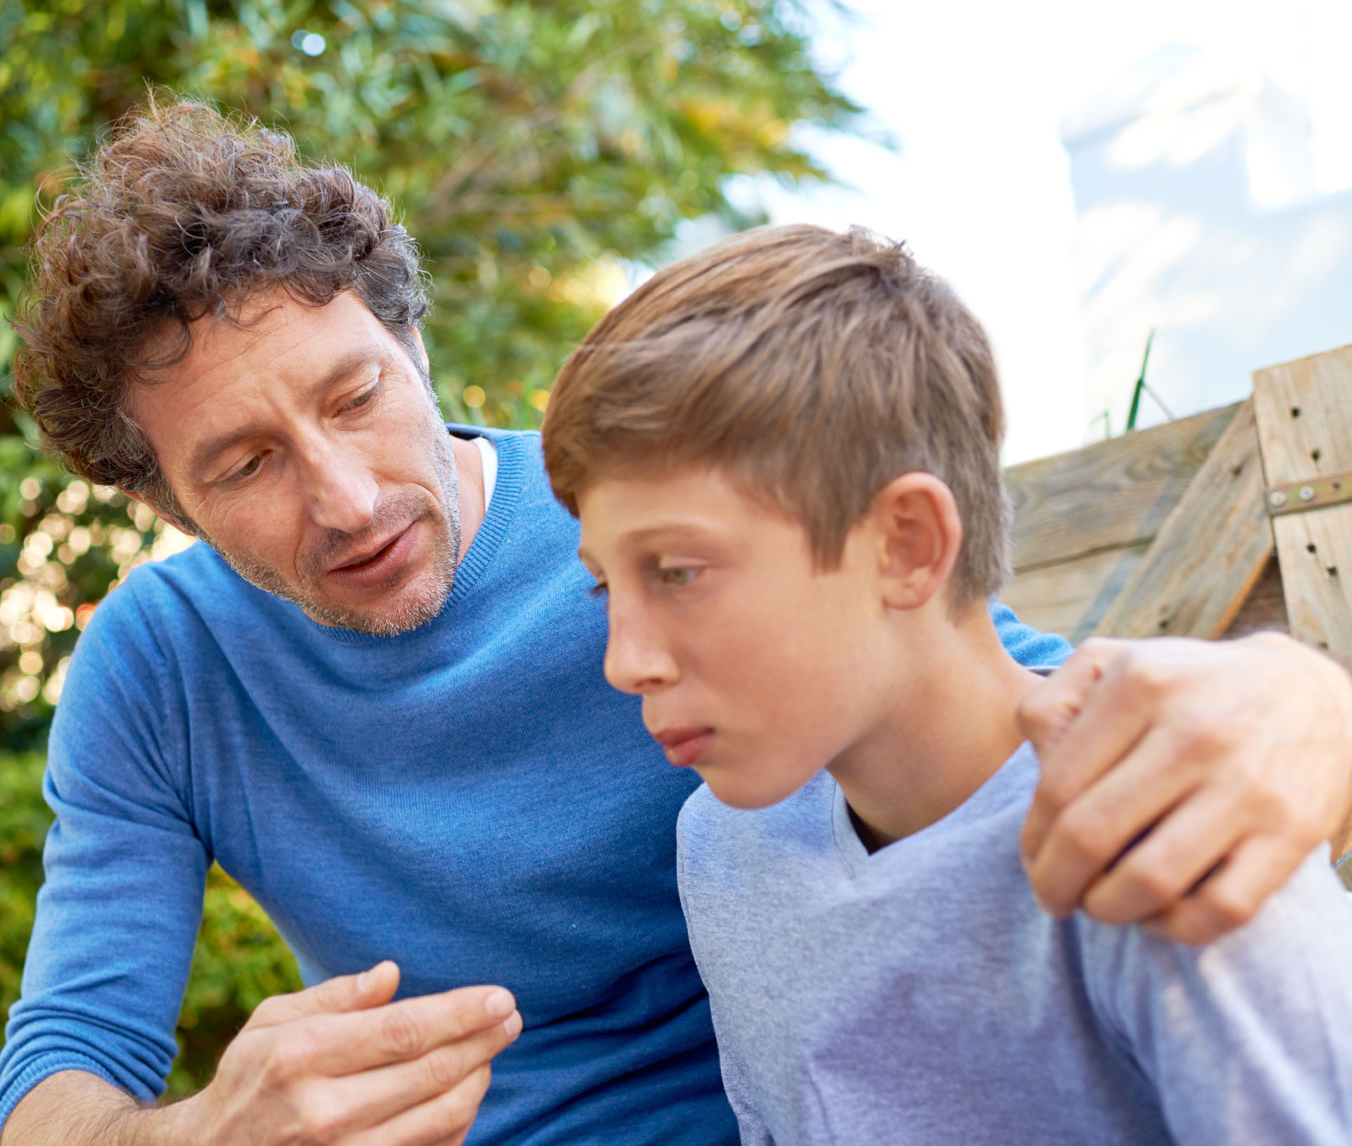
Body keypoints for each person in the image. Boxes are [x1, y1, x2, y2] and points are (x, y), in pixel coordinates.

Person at [0, 100, 1352, 1146]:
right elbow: (56, 1084)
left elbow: (963, 691)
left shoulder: (654, 518)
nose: (346, 499)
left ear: (413, 348)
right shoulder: (160, 669)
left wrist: (1310, 701)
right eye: (244, 464)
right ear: (170, 507)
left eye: (354, 397)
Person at [542, 223, 1352, 1143]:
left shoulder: (1167, 828)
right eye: (607, 585)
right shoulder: (723, 851)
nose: (624, 660)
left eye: (678, 571)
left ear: (906, 545)